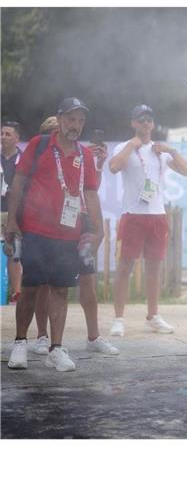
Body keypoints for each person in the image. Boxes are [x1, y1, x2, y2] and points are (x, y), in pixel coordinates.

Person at [5, 97, 104, 372]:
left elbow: (92, 193)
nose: (76, 125)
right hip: (35, 229)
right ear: (59, 120)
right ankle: (21, 342)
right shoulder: (39, 145)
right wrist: (12, 221)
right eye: (71, 119)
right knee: (31, 288)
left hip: (68, 235)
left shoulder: (84, 155)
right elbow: (18, 182)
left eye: (81, 120)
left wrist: (99, 229)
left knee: (61, 289)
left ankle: (56, 349)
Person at [30, 117, 119, 356]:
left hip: (81, 220)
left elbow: (91, 189)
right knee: (45, 283)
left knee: (88, 279)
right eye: (54, 132)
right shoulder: (43, 156)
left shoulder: (81, 155)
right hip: (52, 223)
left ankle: (93, 336)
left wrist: (97, 163)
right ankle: (41, 336)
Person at [108, 104, 187, 336]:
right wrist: (133, 145)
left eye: (149, 120)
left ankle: (153, 316)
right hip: (133, 214)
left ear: (153, 124)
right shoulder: (124, 146)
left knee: (154, 267)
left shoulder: (160, 151)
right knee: (125, 267)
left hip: (157, 215)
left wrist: (172, 151)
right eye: (141, 119)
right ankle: (118, 318)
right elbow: (114, 167)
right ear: (133, 123)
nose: (145, 123)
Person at [1, 120, 24, 303]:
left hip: (14, 212)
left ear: (17, 138)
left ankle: (16, 294)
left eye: (8, 134)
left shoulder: (23, 160)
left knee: (14, 253)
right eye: (1, 133)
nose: (3, 137)